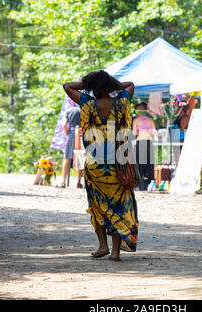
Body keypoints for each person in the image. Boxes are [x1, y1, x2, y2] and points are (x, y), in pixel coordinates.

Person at [63, 70, 137, 262]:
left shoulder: (88, 103)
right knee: (119, 206)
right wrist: (111, 85)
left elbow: (67, 86)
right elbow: (130, 84)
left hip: (95, 165)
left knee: (97, 205)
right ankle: (115, 252)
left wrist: (87, 85)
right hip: (118, 164)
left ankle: (102, 245)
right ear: (109, 86)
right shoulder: (121, 101)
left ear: (94, 88)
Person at [57, 105, 83, 188]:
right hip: (80, 135)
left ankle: (63, 182)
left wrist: (67, 133)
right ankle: (78, 181)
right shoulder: (83, 110)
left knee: (67, 158)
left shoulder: (69, 111)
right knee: (79, 157)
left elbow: (64, 124)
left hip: (71, 135)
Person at [132, 102, 156, 190]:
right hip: (149, 142)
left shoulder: (136, 121)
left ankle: (138, 184)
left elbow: (134, 133)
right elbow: (154, 132)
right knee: (150, 163)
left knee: (139, 164)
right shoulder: (150, 120)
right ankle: (151, 183)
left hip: (140, 142)